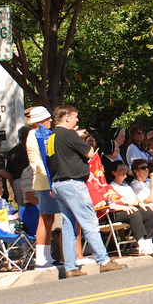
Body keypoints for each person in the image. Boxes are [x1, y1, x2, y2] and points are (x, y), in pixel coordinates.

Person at [46, 104, 127, 277]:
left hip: (58, 184)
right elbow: (90, 153)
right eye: (75, 117)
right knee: (89, 222)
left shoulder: (52, 137)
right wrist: (79, 137)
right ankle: (103, 261)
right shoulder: (68, 134)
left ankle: (70, 267)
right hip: (73, 184)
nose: (77, 120)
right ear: (67, 117)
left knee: (68, 226)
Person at [24, 105, 60, 269]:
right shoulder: (36, 135)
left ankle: (46, 255)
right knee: (44, 218)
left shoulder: (36, 134)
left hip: (44, 180)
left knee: (49, 218)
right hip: (44, 181)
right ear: (40, 121)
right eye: (47, 119)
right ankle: (40, 257)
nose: (50, 120)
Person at [106, 164, 153, 256]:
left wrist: (139, 204)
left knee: (149, 211)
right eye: (121, 169)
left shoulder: (127, 186)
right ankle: (141, 244)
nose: (124, 171)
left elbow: (136, 200)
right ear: (114, 173)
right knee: (135, 213)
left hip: (133, 207)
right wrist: (131, 204)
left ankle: (149, 243)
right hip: (119, 212)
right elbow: (118, 202)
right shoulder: (111, 187)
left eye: (125, 169)